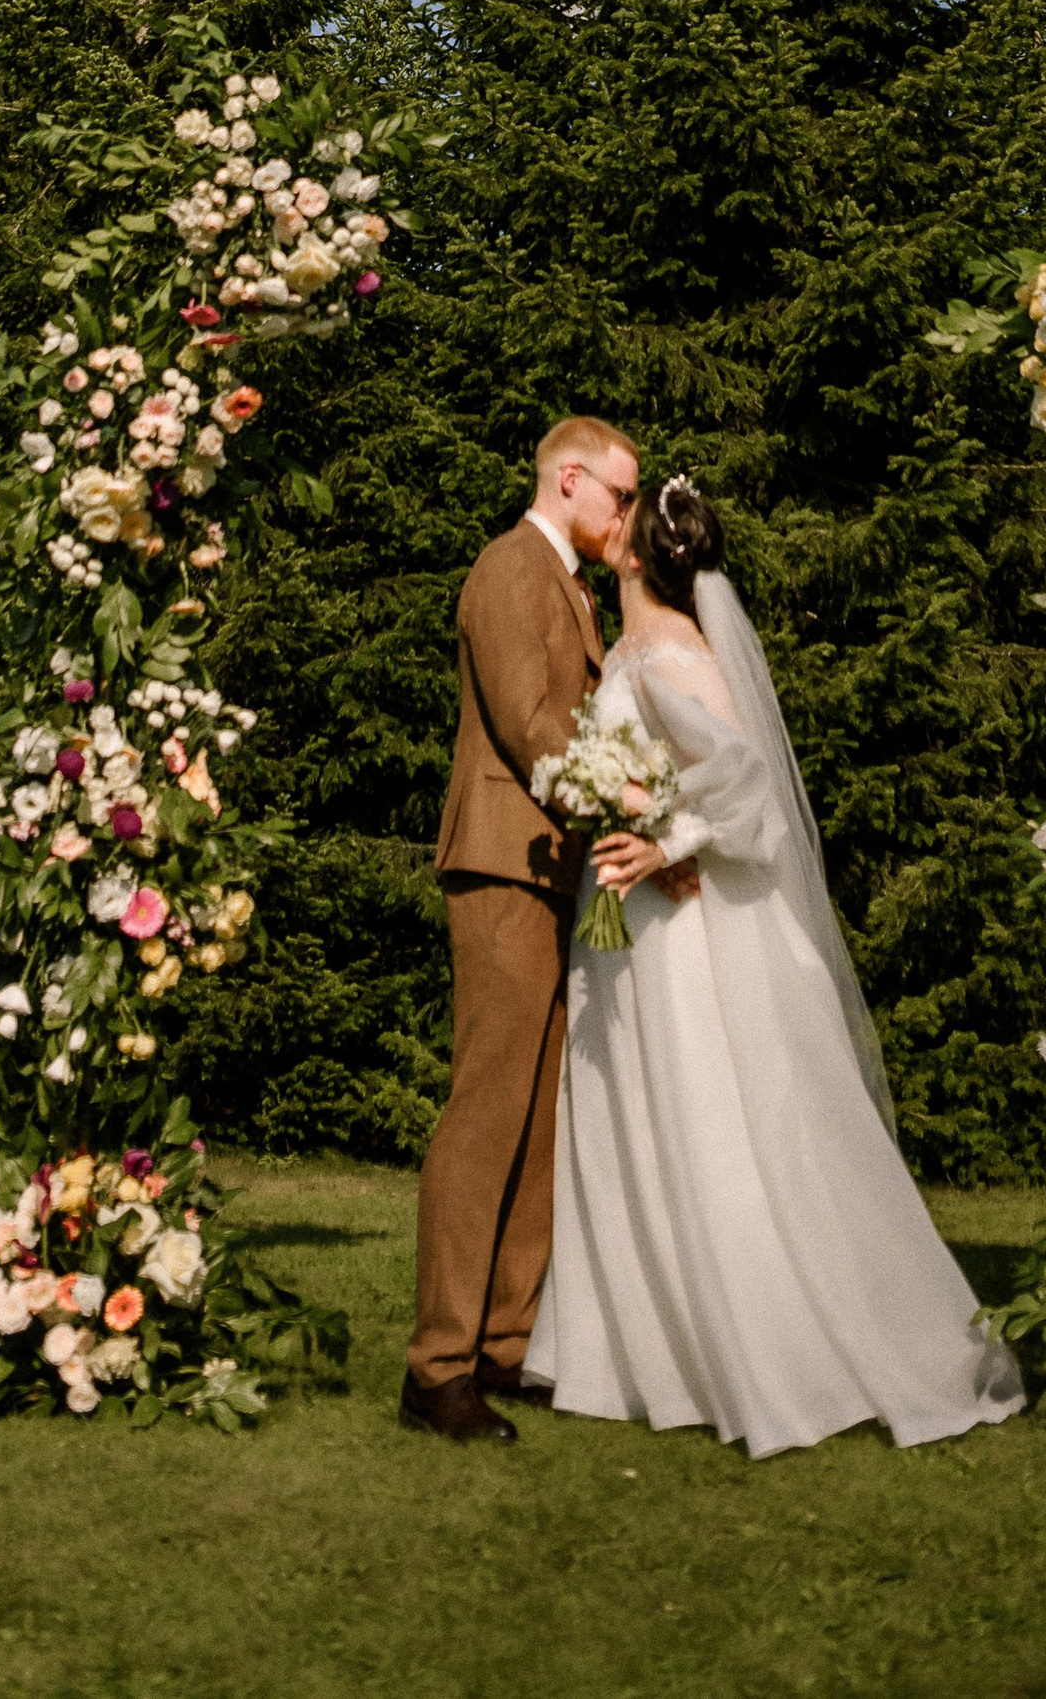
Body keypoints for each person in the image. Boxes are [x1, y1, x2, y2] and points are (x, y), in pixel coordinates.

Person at [525, 475, 1026, 1459]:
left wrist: (669, 841)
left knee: (710, 1119)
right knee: (636, 1121)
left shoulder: (669, 649)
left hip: (681, 922)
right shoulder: (630, 646)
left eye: (619, 515)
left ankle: (767, 1350)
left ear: (635, 553)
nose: (605, 519)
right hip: (633, 914)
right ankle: (640, 1359)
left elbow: (745, 780)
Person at [402, 413, 638, 1443]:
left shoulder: (568, 582)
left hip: (550, 862)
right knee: (487, 1107)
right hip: (503, 855)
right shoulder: (509, 566)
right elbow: (525, 718)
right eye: (619, 495)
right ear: (570, 478)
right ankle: (436, 1365)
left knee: (540, 1113)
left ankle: (502, 1342)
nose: (624, 515)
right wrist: (624, 797)